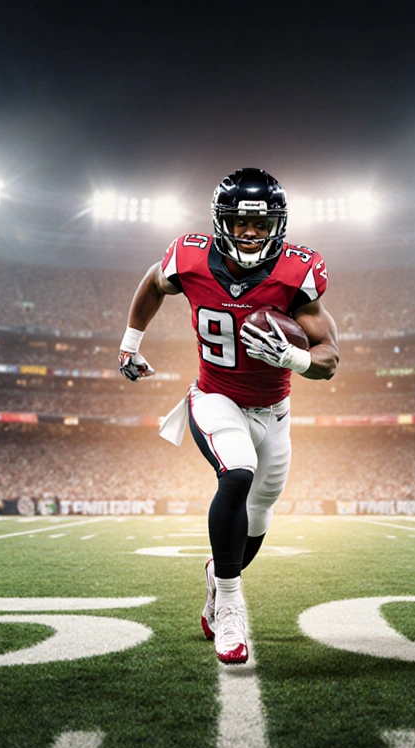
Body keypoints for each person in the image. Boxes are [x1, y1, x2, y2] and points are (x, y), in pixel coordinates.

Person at [118, 168, 339, 664]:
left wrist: (294, 359)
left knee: (258, 518)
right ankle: (233, 609)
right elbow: (155, 283)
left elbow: (329, 358)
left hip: (275, 411)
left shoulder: (295, 273)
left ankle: (217, 579)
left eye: (261, 225)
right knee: (237, 473)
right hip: (215, 397)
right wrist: (130, 343)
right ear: (222, 221)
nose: (251, 233)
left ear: (278, 226)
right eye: (241, 222)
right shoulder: (190, 258)